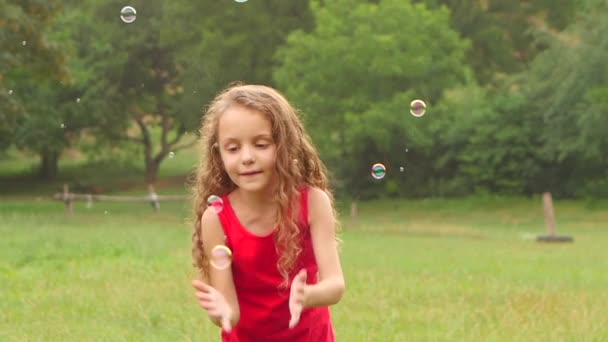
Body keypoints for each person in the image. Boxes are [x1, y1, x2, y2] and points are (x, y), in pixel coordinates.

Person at [190, 83, 345, 341]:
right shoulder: (216, 218)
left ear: (284, 146)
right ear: (219, 154)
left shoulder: (313, 202)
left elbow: (335, 285)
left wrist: (308, 295)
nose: (247, 157)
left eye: (261, 145)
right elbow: (231, 313)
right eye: (233, 148)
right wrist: (220, 311)